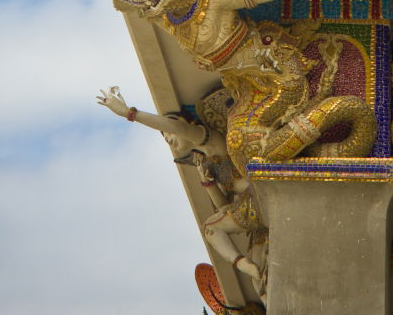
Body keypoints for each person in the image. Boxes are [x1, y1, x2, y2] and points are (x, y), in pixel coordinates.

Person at [97, 86, 267, 297]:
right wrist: (208, 184)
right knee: (260, 280)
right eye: (164, 137)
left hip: (259, 194)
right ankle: (243, 264)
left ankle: (242, 264)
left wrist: (130, 113)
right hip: (249, 210)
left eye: (169, 132)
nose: (168, 138)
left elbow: (179, 129)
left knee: (212, 229)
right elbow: (224, 207)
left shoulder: (210, 140)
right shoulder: (204, 161)